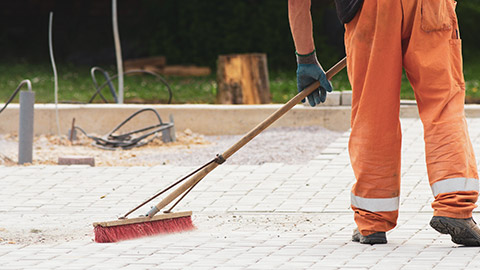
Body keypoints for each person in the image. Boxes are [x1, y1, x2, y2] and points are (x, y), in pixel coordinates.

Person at [288, 0, 480, 246]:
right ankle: (455, 207)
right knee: (443, 106)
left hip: (372, 9)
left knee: (373, 111)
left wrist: (306, 57)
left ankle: (373, 221)